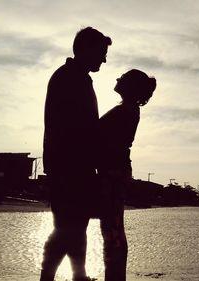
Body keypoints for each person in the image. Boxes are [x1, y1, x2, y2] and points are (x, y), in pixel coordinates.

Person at [41, 27, 112, 281]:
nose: (104, 59)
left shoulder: (76, 77)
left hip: (75, 165)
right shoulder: (68, 78)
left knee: (76, 224)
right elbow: (75, 127)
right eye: (102, 53)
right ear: (85, 49)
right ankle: (49, 277)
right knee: (67, 227)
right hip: (68, 166)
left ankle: (77, 275)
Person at [98, 69, 156, 281]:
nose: (116, 79)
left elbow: (105, 140)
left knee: (112, 231)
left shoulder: (126, 111)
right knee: (113, 229)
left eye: (121, 78)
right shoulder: (127, 109)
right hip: (115, 171)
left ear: (130, 86)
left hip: (114, 173)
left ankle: (115, 277)